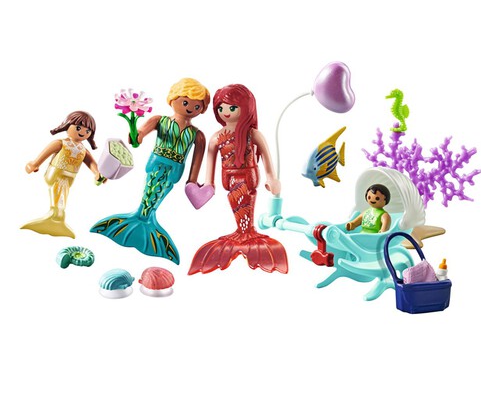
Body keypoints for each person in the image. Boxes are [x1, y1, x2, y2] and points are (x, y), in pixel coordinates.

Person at [91, 78, 210, 263]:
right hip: (156, 164)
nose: (189, 108)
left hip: (174, 171)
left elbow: (197, 160)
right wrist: (135, 135)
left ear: (201, 109)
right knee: (150, 192)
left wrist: (192, 181)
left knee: (159, 194)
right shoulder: (159, 121)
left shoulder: (198, 135)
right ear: (172, 99)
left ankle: (145, 221)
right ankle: (142, 219)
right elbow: (139, 135)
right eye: (185, 102)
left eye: (196, 106)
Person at [188, 83, 288, 274]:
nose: (225, 112)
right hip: (228, 176)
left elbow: (266, 157)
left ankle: (247, 232)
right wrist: (208, 184)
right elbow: (210, 162)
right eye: (221, 108)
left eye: (232, 107)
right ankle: (242, 233)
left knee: (246, 202)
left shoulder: (252, 134)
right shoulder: (216, 138)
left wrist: (272, 178)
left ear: (246, 107)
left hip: (248, 175)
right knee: (234, 202)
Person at [22, 111, 102, 238]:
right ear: (67, 125)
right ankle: (56, 216)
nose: (83, 132)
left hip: (70, 177)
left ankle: (56, 218)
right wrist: (34, 164)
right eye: (78, 128)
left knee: (63, 194)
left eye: (88, 131)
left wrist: (97, 173)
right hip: (56, 173)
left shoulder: (83, 150)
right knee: (58, 191)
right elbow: (45, 154)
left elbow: (92, 163)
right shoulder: (61, 143)